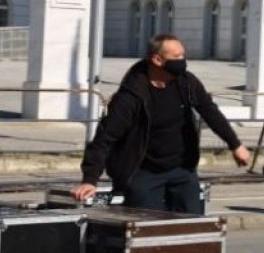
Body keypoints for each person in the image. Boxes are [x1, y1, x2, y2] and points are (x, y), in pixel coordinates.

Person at [74, 34, 251, 211]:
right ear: (157, 60)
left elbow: (210, 112)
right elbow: (105, 138)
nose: (182, 61)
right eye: (176, 57)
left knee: (191, 225)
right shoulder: (131, 96)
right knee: (146, 227)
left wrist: (235, 144)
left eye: (183, 55)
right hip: (142, 172)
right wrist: (90, 180)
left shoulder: (187, 82)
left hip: (182, 169)